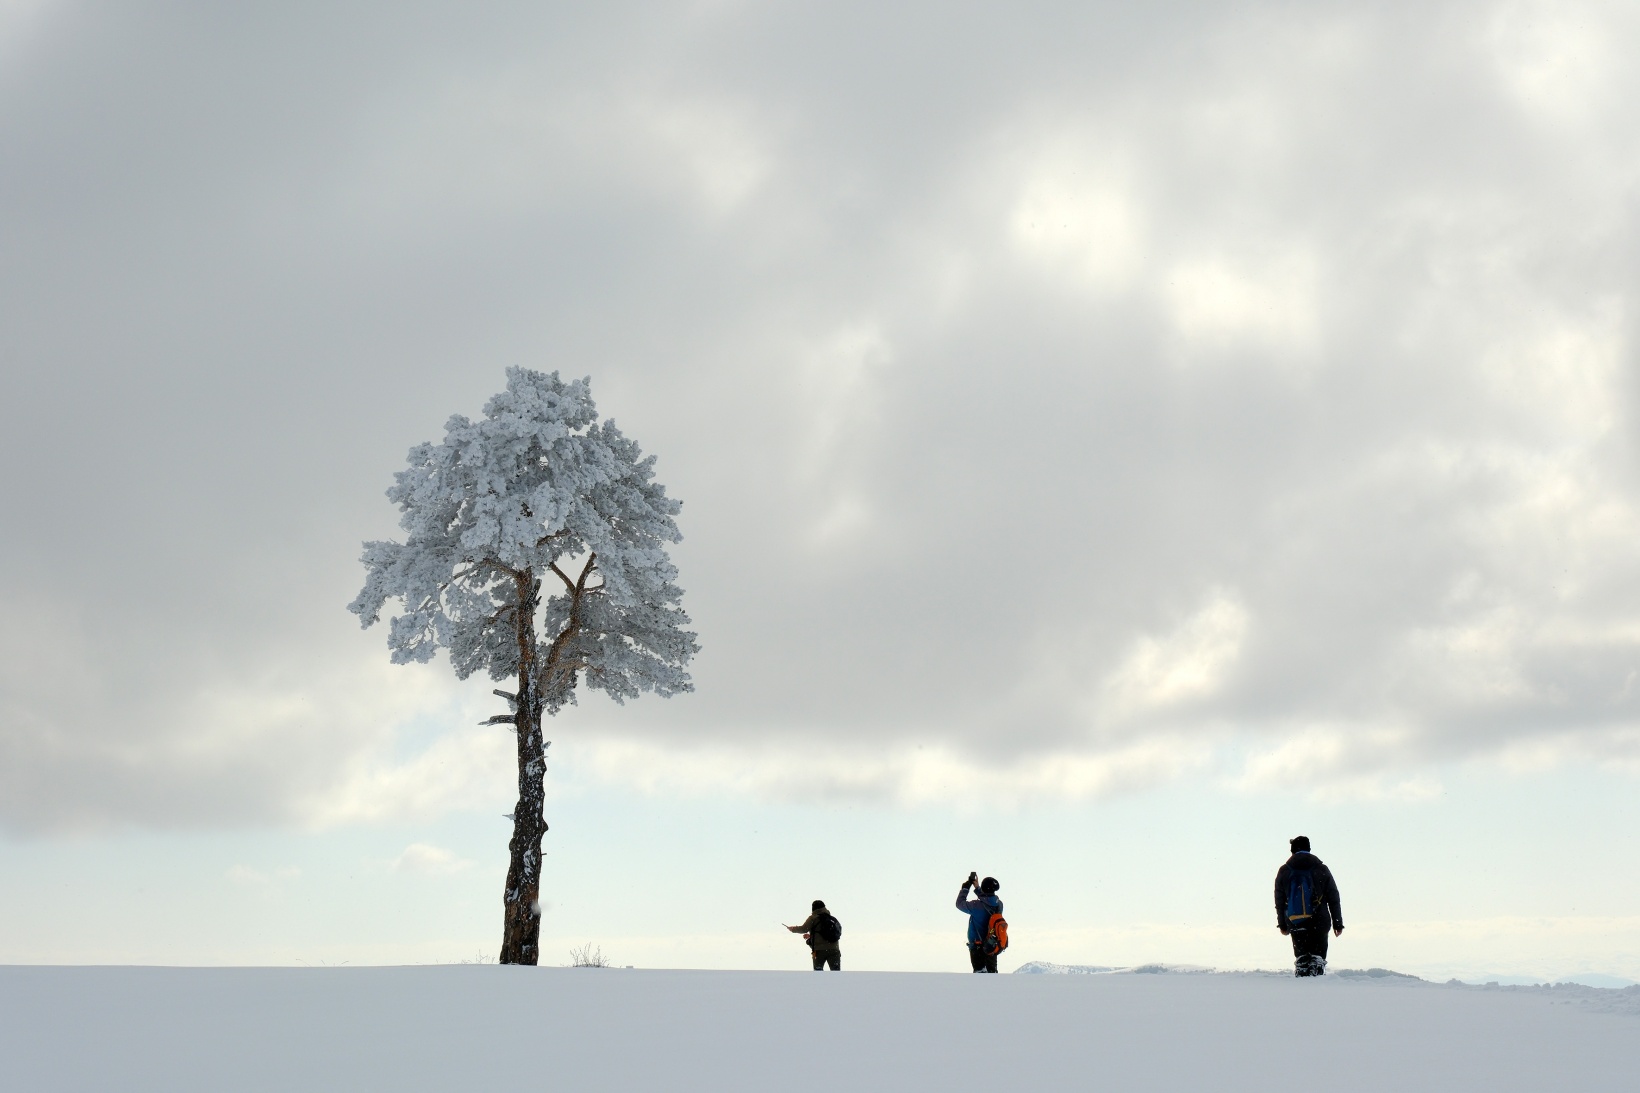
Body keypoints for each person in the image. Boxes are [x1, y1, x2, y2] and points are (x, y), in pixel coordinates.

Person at [1274, 836, 1343, 977]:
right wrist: (1338, 923)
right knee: (1317, 961)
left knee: (1302, 961)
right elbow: (1333, 897)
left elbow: (1279, 901)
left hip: (1296, 921)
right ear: (1309, 849)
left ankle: (1301, 993)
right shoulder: (1321, 869)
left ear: (1292, 851)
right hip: (1320, 921)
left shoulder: (1284, 871)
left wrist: (1282, 924)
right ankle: (1316, 993)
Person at [956, 872, 1003, 973]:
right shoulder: (999, 905)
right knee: (992, 975)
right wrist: (977, 888)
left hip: (977, 946)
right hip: (992, 945)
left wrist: (965, 888)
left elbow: (959, 904)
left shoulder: (976, 905)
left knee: (980, 976)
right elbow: (987, 899)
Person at [784, 899, 842, 971]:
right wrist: (811, 936)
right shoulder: (832, 919)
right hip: (834, 949)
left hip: (819, 951)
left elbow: (804, 929)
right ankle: (836, 982)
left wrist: (793, 929)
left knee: (818, 974)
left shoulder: (813, 918)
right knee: (836, 974)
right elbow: (830, 933)